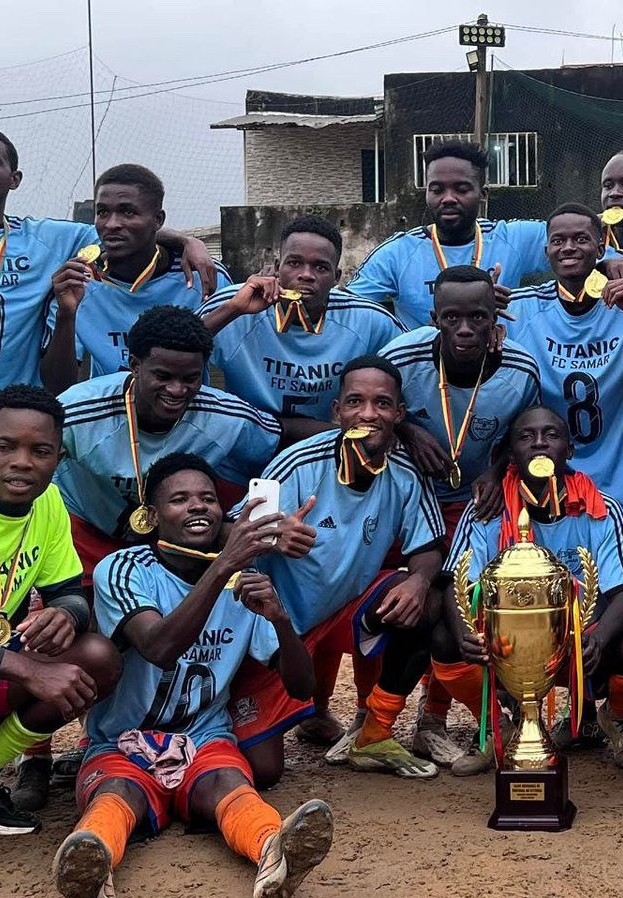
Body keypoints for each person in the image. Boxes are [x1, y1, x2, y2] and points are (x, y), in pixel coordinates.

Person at [55, 453, 330, 898]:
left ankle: (274, 851)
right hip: (122, 739)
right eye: (179, 500)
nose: (198, 507)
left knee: (231, 786)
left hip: (205, 737)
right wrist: (223, 563)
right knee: (116, 793)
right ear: (152, 515)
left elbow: (302, 688)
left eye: (207, 498)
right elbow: (160, 647)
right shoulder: (124, 568)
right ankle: (93, 863)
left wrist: (279, 619)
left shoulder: (245, 579)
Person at [229, 356, 447, 782]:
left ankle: (374, 734)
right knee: (263, 768)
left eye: (382, 404)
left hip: (346, 609)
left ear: (398, 415)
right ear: (337, 411)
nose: (368, 414)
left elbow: (429, 546)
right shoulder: (297, 463)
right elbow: (228, 533)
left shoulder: (404, 474)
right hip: (278, 625)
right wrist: (272, 534)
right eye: (355, 402)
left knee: (429, 600)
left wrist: (419, 579)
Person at [0, 125, 216, 461]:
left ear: (15, 179)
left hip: (16, 437)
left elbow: (124, 229)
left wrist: (188, 242)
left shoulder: (52, 239)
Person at [434, 405, 623, 774]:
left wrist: (597, 641)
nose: (539, 444)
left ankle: (613, 718)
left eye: (551, 435)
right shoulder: (486, 511)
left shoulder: (601, 509)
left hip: (581, 643)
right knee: (445, 638)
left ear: (568, 449)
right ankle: (493, 727)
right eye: (526, 437)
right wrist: (465, 636)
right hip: (508, 648)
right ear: (511, 453)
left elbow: (622, 597)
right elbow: (455, 585)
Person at [379, 264, 540, 767]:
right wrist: (408, 433)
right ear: (433, 318)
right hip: (407, 498)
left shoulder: (520, 370)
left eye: (478, 317)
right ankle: (376, 720)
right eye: (452, 318)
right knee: (407, 605)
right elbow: (371, 406)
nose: (466, 329)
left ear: (498, 319)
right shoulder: (401, 357)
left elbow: (522, 435)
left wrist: (497, 469)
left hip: (478, 502)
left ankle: (435, 720)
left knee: (467, 606)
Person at [506, 204, 623, 581]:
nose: (569, 248)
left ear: (601, 248)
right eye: (558, 240)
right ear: (546, 250)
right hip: (564, 488)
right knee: (577, 612)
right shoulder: (520, 309)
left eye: (581, 239)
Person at [54, 305, 309, 586]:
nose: (177, 390)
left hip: (167, 546)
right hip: (83, 531)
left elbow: (283, 431)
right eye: (163, 377)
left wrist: (354, 432)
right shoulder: (77, 410)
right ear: (135, 365)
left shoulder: (221, 415)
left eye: (190, 378)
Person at [0, 385, 120, 834]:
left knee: (94, 658)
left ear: (58, 458)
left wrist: (68, 615)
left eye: (40, 450)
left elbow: (70, 591)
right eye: (5, 446)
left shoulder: (48, 502)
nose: (22, 462)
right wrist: (28, 669)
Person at [41, 164, 232, 393]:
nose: (111, 224)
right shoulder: (77, 283)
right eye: (102, 212)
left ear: (158, 220)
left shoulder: (203, 276)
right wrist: (66, 315)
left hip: (183, 419)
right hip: (105, 420)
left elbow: (235, 362)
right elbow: (57, 388)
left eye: (127, 212)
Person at [200, 215, 404, 422]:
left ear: (336, 277)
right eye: (294, 263)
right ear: (278, 267)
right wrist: (233, 309)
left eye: (321, 267)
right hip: (246, 439)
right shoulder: (237, 303)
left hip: (321, 443)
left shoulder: (366, 319)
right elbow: (171, 349)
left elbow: (417, 362)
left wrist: (408, 428)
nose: (306, 275)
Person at [347, 141, 547, 329]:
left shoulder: (513, 239)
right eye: (437, 189)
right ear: (427, 193)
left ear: (483, 194)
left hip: (498, 361)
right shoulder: (396, 253)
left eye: (461, 189)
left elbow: (575, 239)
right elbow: (345, 312)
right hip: (425, 364)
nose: (448, 198)